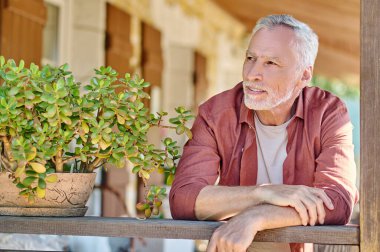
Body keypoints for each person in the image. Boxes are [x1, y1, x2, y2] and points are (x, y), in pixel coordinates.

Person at [169, 14, 358, 252]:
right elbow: (184, 200)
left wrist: (255, 217)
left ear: (304, 75)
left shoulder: (327, 112)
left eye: (270, 63)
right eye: (250, 58)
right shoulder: (216, 113)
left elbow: (338, 201)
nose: (251, 74)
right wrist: (264, 192)